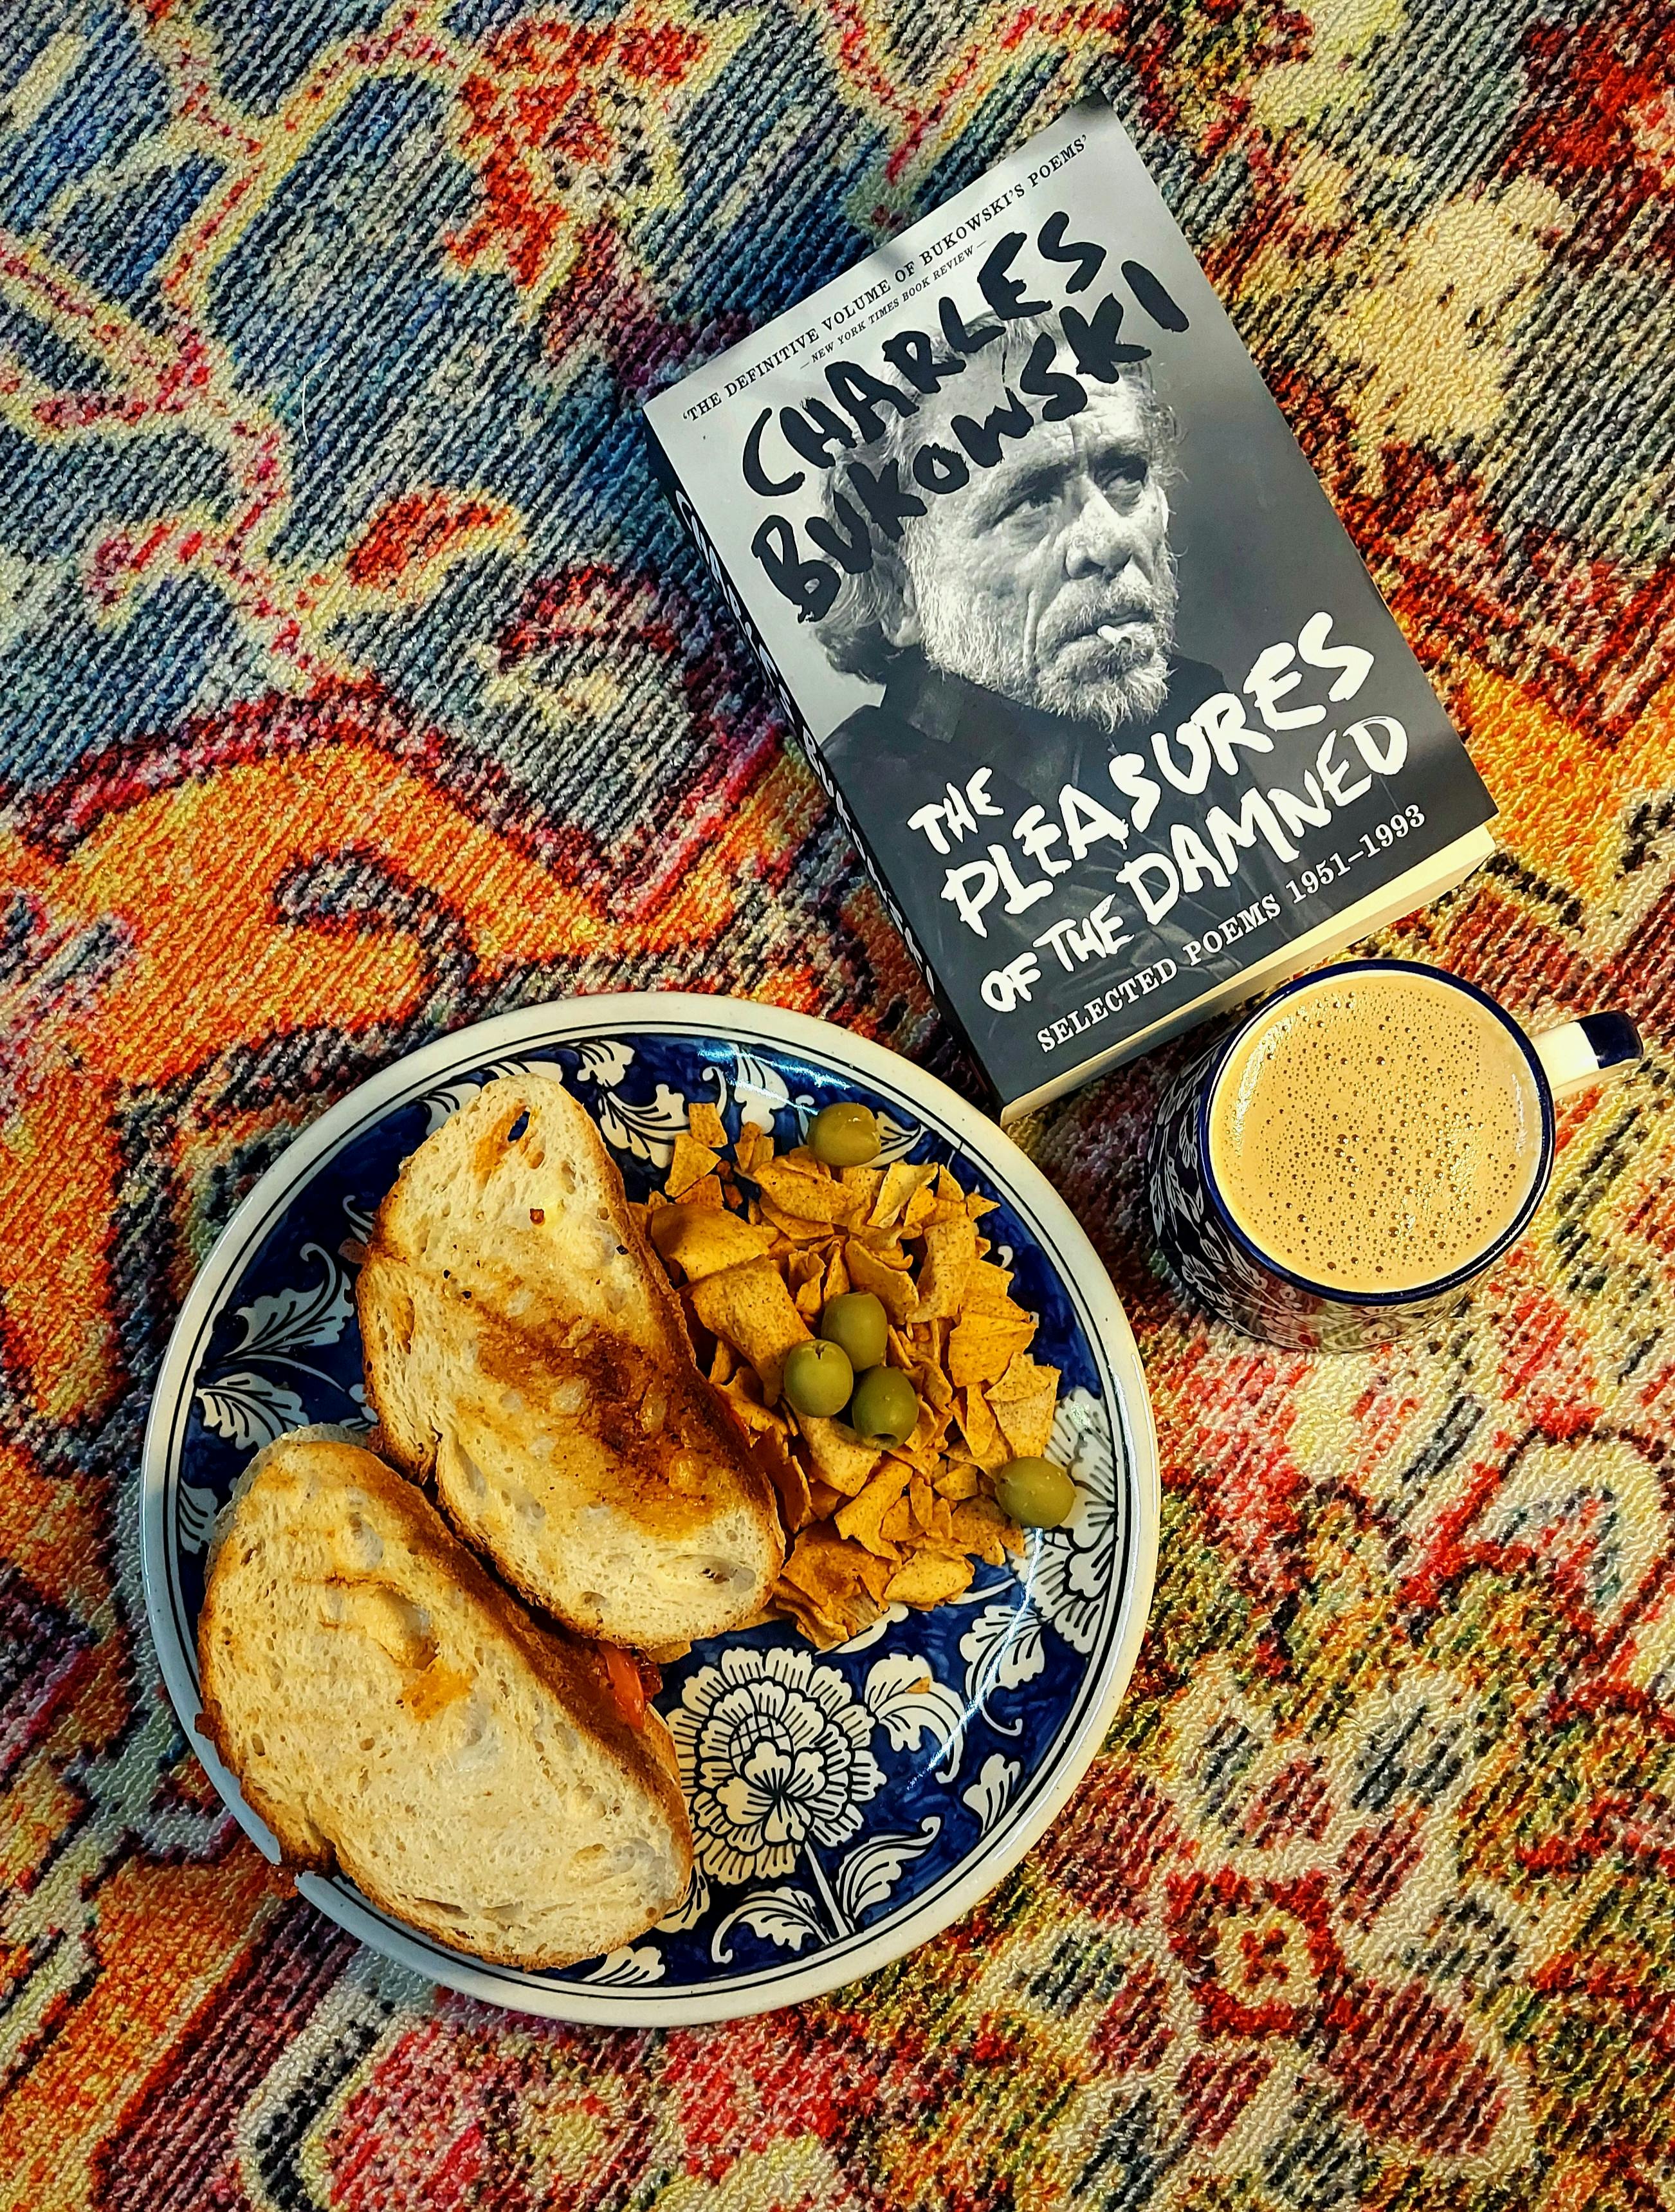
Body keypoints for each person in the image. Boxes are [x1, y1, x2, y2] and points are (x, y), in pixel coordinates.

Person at [810, 315, 1225, 1026]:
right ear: (899, 588)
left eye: (1124, 476)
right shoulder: (879, 804)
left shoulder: (1189, 707)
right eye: (1031, 502)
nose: (1109, 539)